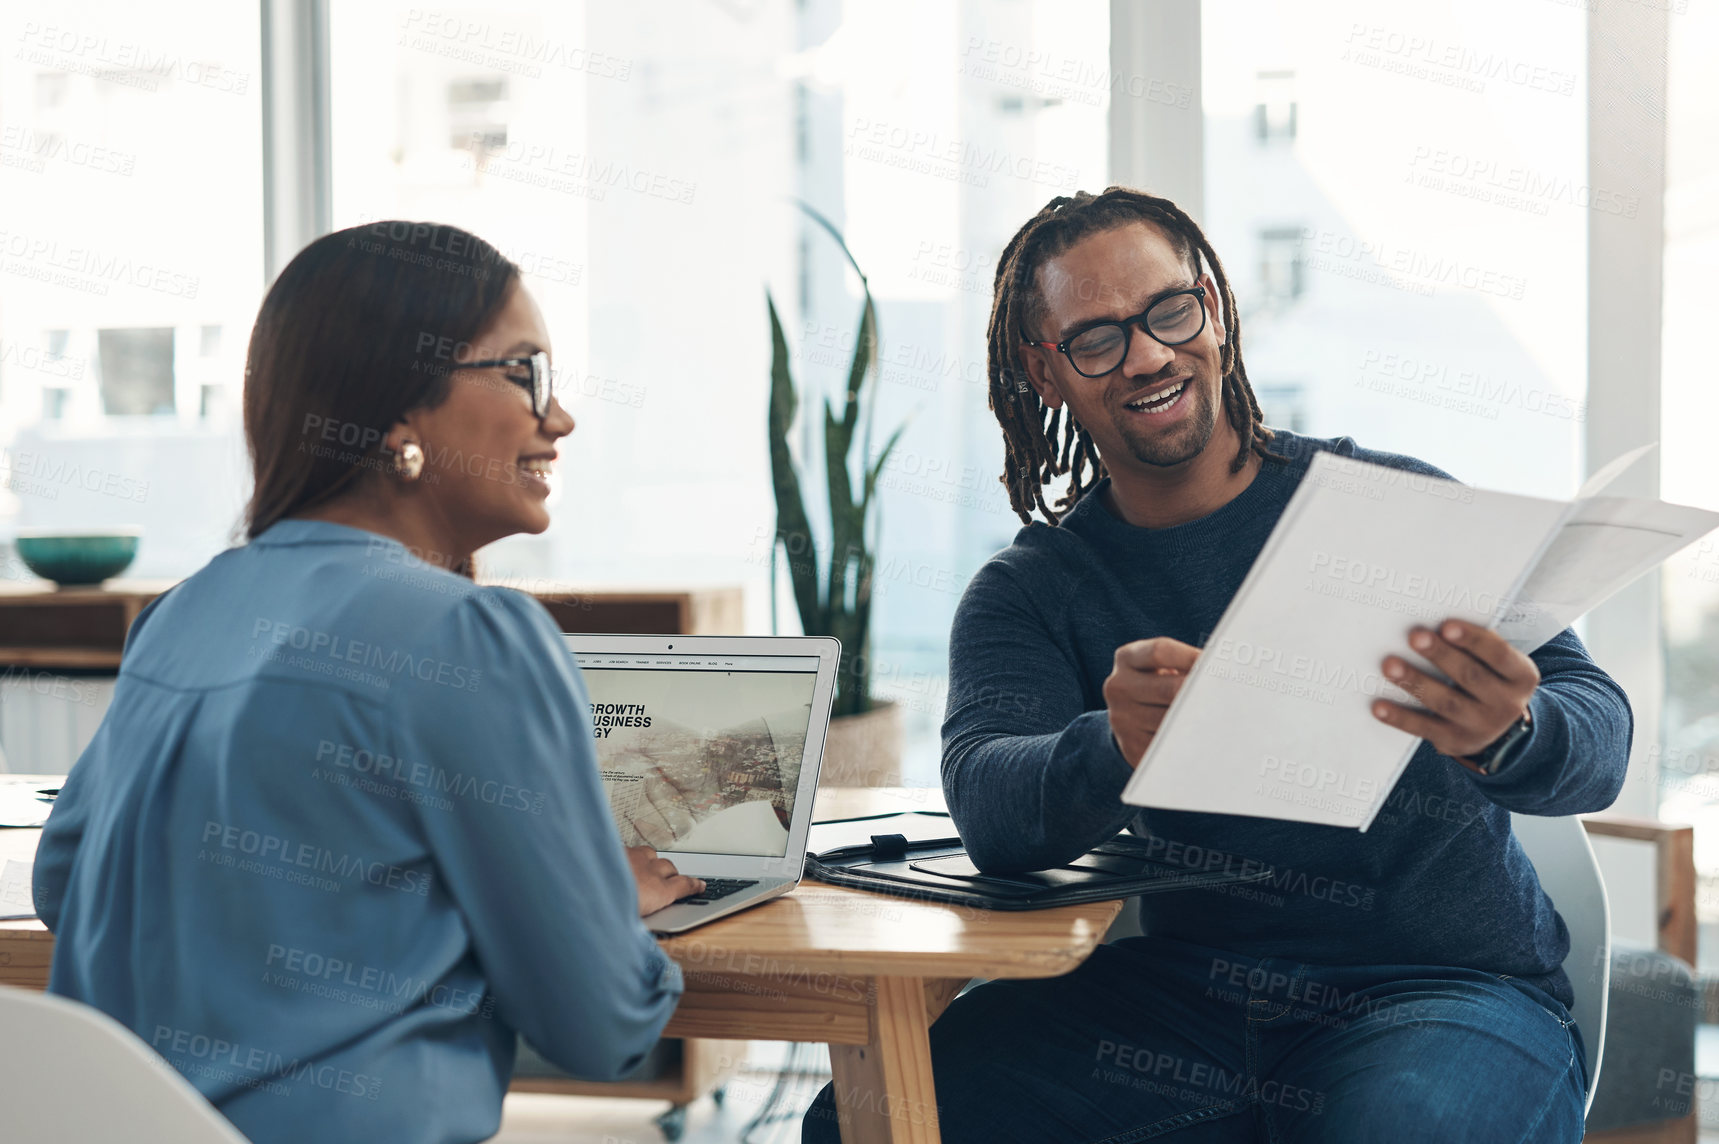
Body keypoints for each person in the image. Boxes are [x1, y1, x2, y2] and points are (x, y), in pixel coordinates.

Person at [802, 188, 1629, 1142]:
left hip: (1444, 994)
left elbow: (1598, 737)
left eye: (1168, 312)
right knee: (866, 1122)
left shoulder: (1392, 507)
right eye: (1098, 338)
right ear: (1045, 369)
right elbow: (990, 806)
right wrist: (1114, 745)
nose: (1149, 355)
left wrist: (1512, 733)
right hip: (1182, 1004)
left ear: (1216, 309)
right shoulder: (1033, 593)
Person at [31, 222, 704, 1144]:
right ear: (397, 415)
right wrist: (591, 909)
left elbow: (64, 884)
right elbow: (600, 1026)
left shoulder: (184, 613)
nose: (559, 417)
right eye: (524, 373)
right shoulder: (470, 637)